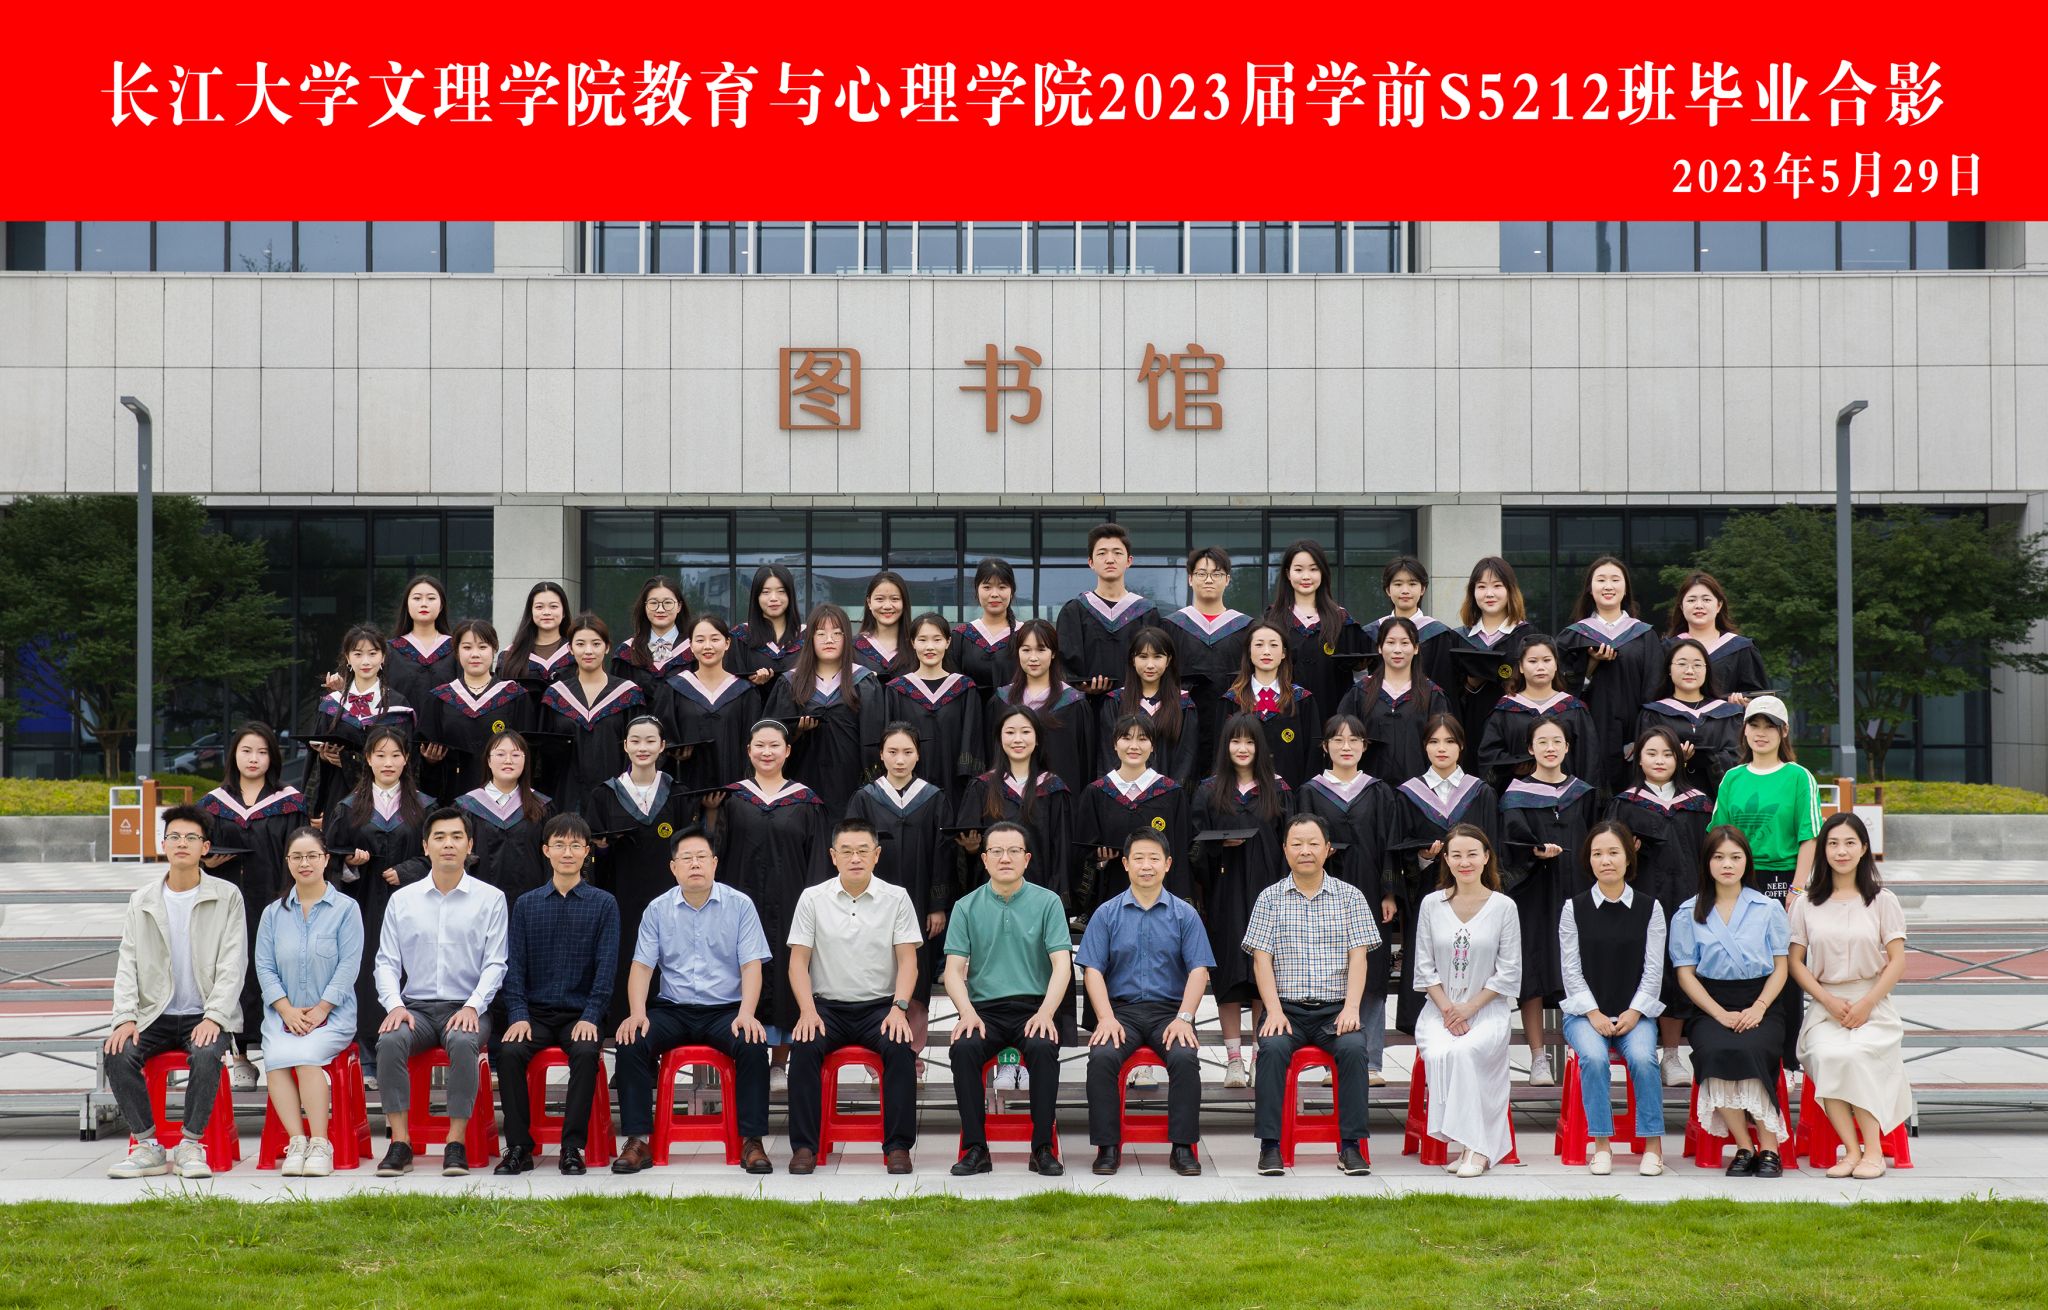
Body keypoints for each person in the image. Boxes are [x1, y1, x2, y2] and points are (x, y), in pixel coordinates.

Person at [610, 827, 776, 1176]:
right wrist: (637, 1013)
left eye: (702, 857)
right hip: (674, 1009)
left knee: (752, 1043)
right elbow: (642, 966)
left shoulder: (740, 905)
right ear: (673, 867)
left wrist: (747, 1013)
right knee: (631, 1041)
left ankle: (752, 1140)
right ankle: (638, 1141)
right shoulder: (658, 909)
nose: (695, 864)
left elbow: (751, 965)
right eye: (686, 858)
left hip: (725, 1010)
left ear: (715, 863)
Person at [104, 806, 247, 1180]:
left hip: (205, 1013)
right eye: (174, 837)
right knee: (117, 1052)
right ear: (163, 844)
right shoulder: (143, 899)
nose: (182, 843)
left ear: (205, 847)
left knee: (206, 1054)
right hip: (155, 1014)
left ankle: (191, 1145)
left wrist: (215, 1017)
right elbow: (128, 962)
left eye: (191, 837)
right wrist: (125, 1018)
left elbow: (234, 962)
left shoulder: (227, 896)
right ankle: (147, 1146)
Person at [371, 807, 509, 1178]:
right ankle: (401, 1142)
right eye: (440, 837)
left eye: (456, 837)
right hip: (414, 1008)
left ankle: (455, 1142)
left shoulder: (491, 899)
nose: (448, 844)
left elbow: (496, 964)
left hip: (466, 1007)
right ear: (425, 846)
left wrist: (473, 1007)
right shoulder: (403, 900)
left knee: (463, 1042)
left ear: (469, 845)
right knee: (389, 1041)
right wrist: (395, 1006)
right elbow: (386, 962)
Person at [1244, 813, 1381, 1178]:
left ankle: (1350, 1146)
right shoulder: (1270, 898)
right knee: (1272, 1050)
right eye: (1297, 844)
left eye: (1313, 843)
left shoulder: (1350, 897)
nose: (1305, 851)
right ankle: (1270, 1146)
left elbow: (1359, 957)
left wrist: (1351, 1008)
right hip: (1285, 1009)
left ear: (1328, 848)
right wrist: (1273, 1011)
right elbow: (1261, 960)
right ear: (1285, 850)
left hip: (1336, 1010)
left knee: (1354, 1049)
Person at [785, 819, 925, 1176]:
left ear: (877, 855)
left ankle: (898, 1147)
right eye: (846, 851)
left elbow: (908, 961)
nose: (855, 858)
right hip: (826, 1008)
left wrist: (899, 1008)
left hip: (881, 1008)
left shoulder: (896, 898)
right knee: (803, 1048)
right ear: (833, 856)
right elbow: (798, 962)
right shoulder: (812, 898)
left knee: (900, 1049)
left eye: (863, 850)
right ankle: (805, 1147)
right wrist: (807, 1011)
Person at [703, 719, 832, 1080]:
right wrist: (710, 815)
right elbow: (716, 851)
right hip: (741, 903)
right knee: (741, 970)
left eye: (775, 745)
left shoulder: (806, 801)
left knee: (787, 971)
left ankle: (779, 1062)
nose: (767, 752)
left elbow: (817, 860)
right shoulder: (732, 799)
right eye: (760, 745)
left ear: (788, 751)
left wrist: (814, 907)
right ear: (749, 751)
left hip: (792, 903)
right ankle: (745, 1056)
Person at [1079, 830, 1212, 1177]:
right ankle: (1108, 1147)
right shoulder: (1106, 914)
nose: (1146, 865)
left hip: (1170, 1013)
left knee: (1184, 1057)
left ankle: (1182, 1148)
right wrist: (1105, 1018)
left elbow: (1199, 970)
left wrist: (1185, 1018)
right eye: (1138, 858)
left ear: (1168, 864)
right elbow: (1092, 970)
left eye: (1154, 858)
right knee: (1102, 1057)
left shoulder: (1185, 914)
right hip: (1121, 1012)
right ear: (1125, 864)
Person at [944, 820, 1073, 1176]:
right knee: (963, 1049)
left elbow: (1062, 964)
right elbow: (953, 970)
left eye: (1014, 851)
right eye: (997, 851)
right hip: (984, 1010)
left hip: (1034, 1007)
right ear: (984, 859)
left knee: (1043, 1048)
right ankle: (976, 1149)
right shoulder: (966, 906)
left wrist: (1046, 1013)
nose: (1005, 858)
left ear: (1027, 858)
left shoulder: (1047, 902)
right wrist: (966, 1012)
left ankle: (1042, 1148)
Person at [1789, 813, 1914, 1179]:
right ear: (1823, 850)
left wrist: (1866, 1003)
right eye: (1832, 844)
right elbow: (1795, 962)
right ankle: (1851, 1150)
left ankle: (1873, 1152)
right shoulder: (1806, 904)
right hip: (1825, 1006)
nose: (1840, 851)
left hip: (1872, 1003)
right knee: (1828, 1055)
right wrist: (1827, 1001)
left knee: (1858, 1055)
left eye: (1849, 843)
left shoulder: (1882, 901)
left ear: (1863, 848)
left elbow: (1897, 961)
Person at [494, 813, 619, 1176]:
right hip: (535, 1014)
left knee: (586, 1052)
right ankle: (519, 1147)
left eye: (575, 845)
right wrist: (518, 1014)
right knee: (509, 1051)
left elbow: (606, 968)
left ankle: (572, 1147)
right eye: (560, 845)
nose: (567, 852)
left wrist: (591, 1015)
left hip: (580, 1014)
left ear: (587, 851)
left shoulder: (603, 904)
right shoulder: (527, 904)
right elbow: (514, 967)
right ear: (546, 850)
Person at [1669, 826, 1796, 1179]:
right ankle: (1744, 1146)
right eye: (1719, 857)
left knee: (1752, 1049)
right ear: (1706, 863)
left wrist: (1759, 1007)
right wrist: (1719, 1013)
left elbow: (1781, 967)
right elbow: (1685, 974)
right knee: (1715, 1052)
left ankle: (1769, 1147)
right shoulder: (1688, 912)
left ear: (1746, 862)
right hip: (1710, 1005)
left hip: (1762, 1002)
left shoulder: (1768, 908)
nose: (1727, 864)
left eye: (1735, 857)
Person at [198, 721, 307, 1089]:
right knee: (233, 974)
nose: (254, 758)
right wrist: (206, 861)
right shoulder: (213, 805)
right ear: (234, 755)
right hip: (228, 908)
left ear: (272, 757)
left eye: (262, 752)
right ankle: (240, 1056)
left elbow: (299, 851)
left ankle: (282, 1050)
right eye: (246, 751)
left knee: (277, 974)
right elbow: (196, 851)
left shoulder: (289, 803)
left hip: (277, 902)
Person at [1412, 823, 1522, 1178]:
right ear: (1445, 859)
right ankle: (1468, 1144)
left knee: (1466, 1051)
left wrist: (1470, 1008)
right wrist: (1449, 1009)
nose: (1465, 862)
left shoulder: (1503, 907)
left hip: (1487, 1011)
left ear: (1486, 857)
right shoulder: (1432, 904)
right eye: (1456, 855)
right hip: (1439, 1011)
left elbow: (1508, 971)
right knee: (1441, 1052)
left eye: (1472, 854)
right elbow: (1424, 966)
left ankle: (1477, 1148)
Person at [1558, 821, 1668, 1176]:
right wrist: (1593, 1013)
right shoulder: (1573, 908)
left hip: (1635, 1013)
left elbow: (1653, 971)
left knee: (1643, 1058)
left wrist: (1634, 1012)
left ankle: (1653, 1145)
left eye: (1613, 852)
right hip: (1584, 1015)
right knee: (1593, 1057)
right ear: (1588, 860)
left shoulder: (1650, 908)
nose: (1605, 860)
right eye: (1597, 854)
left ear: (1628, 856)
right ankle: (1601, 1144)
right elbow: (1571, 970)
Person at [1192, 714, 1296, 1090]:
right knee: (1231, 976)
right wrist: (1218, 845)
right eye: (1235, 741)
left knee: (1262, 974)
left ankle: (1258, 1056)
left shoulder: (1278, 789)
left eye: (1249, 742)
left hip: (1269, 893)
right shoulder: (1209, 790)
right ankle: (1234, 1060)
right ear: (1226, 746)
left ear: (1259, 747)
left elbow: (1289, 842)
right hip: (1225, 895)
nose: (1242, 748)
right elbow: (1194, 846)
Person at [255, 827, 364, 1178]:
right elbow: (264, 967)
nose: (305, 863)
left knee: (305, 1057)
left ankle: (320, 1143)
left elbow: (349, 966)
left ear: (326, 859)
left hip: (333, 1015)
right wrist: (285, 1009)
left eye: (312, 856)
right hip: (282, 1015)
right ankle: (297, 1141)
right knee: (275, 1058)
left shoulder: (346, 909)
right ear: (288, 862)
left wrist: (321, 1010)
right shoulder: (273, 914)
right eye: (297, 857)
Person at [1608, 726, 1711, 1084]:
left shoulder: (1698, 804)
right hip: (1640, 903)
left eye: (1668, 754)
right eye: (1651, 753)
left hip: (1686, 900)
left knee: (1679, 972)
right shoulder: (1624, 804)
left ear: (1679, 759)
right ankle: (1637, 1051)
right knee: (1642, 970)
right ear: (1638, 758)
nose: (1660, 760)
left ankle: (1671, 1055)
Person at [846, 724, 958, 1051]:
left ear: (918, 755)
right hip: (872, 902)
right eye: (892, 752)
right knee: (876, 973)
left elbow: (944, 854)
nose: (899, 760)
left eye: (907, 752)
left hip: (921, 902)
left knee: (917, 976)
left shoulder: (934, 798)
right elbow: (850, 851)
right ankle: (878, 1050)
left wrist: (937, 905)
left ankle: (913, 1053)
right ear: (881, 755)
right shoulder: (864, 798)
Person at [1500, 718, 1599, 1085]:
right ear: (1531, 748)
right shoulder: (1515, 794)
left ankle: (1580, 1053)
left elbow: (1596, 839)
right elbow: (1509, 844)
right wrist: (1533, 852)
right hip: (1534, 892)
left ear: (1567, 747)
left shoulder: (1583, 793)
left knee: (1580, 967)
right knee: (1534, 969)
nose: (1550, 747)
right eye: (1542, 742)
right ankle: (1538, 1057)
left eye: (1557, 741)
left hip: (1577, 889)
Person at [1392, 715, 1503, 1036]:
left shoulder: (1480, 793)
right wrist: (1424, 859)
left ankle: (1472, 1018)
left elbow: (1493, 849)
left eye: (1450, 741)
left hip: (1475, 898)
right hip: (1428, 894)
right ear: (1424, 747)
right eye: (1434, 741)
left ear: (1461, 746)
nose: (1442, 748)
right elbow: (1399, 851)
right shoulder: (1409, 794)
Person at [323, 725, 432, 1049]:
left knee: (409, 966)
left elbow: (437, 856)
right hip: (364, 902)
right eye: (380, 755)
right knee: (367, 967)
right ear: (368, 759)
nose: (388, 762)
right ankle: (368, 1047)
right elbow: (329, 858)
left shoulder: (424, 807)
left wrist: (408, 871)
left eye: (395, 755)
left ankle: (412, 1042)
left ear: (406, 759)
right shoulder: (348, 808)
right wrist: (350, 863)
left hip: (412, 903)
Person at [585, 715, 694, 1030]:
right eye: (635, 741)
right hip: (622, 895)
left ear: (662, 746)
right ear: (625, 746)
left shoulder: (678, 792)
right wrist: (601, 848)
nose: (642, 747)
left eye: (650, 741)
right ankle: (624, 1036)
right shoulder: (604, 794)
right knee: (626, 959)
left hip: (669, 897)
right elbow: (592, 852)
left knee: (669, 960)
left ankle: (667, 1031)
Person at [766, 602, 887, 815]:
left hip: (850, 784)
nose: (829, 640)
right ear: (810, 638)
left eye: (837, 633)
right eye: (821, 633)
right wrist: (796, 731)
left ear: (847, 638)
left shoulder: (864, 681)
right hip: (801, 782)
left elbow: (874, 739)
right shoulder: (791, 682)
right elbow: (770, 736)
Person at [1556, 556, 1662, 794]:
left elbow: (1654, 690)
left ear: (1625, 589)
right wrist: (1590, 666)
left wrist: (1644, 738)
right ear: (1590, 588)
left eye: (1615, 580)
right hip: (1586, 737)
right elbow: (1561, 691)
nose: (1608, 586)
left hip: (1632, 739)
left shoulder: (1644, 635)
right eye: (1601, 580)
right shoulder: (1573, 636)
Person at [955, 704, 1076, 907]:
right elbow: (962, 853)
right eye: (1010, 732)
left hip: (1040, 899)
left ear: (1037, 739)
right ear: (999, 738)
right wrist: (971, 850)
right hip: (991, 899)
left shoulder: (1053, 789)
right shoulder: (982, 787)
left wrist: (1055, 901)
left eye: (1026, 732)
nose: (1017, 739)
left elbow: (1062, 854)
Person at [1077, 713, 1193, 917]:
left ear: (1153, 745)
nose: (1134, 746)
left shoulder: (1171, 794)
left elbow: (1181, 854)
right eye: (1126, 737)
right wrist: (1099, 858)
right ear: (1115, 744)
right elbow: (1082, 854)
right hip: (1111, 896)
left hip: (1161, 899)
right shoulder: (1097, 793)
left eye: (1142, 739)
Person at [1709, 695, 1820, 904]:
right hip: (1736, 877)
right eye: (1754, 725)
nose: (1761, 733)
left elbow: (1809, 836)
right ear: (1745, 729)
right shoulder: (1732, 778)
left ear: (1784, 730)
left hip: (1782, 880)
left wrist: (1797, 888)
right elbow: (1718, 835)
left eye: (1770, 726)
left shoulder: (1799, 777)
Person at [539, 612, 648, 817]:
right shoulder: (556, 697)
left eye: (596, 644)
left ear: (607, 647)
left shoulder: (628, 695)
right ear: (570, 649)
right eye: (580, 644)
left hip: (618, 797)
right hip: (568, 798)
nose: (588, 651)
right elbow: (544, 758)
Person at [305, 624, 417, 822]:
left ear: (383, 657)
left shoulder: (398, 706)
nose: (366, 661)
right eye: (358, 654)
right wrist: (324, 756)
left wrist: (349, 760)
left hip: (386, 800)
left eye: (373, 654)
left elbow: (407, 762)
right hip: (338, 796)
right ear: (348, 658)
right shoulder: (331, 705)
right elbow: (314, 765)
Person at [422, 618, 535, 798]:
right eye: (467, 647)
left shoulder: (514, 696)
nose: (475, 654)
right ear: (457, 652)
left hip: (503, 795)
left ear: (494, 649)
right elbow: (424, 754)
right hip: (453, 793)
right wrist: (430, 760)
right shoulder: (440, 698)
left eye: (482, 647)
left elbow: (528, 752)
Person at [1163, 545, 1253, 768]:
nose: (1209, 579)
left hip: (1233, 717)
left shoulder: (1246, 627)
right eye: (1201, 573)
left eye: (1217, 574)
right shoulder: (1171, 626)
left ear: (1228, 579)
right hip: (1182, 719)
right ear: (1190, 579)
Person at [885, 612, 985, 807]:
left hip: (955, 784)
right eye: (922, 640)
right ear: (912, 643)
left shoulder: (964, 689)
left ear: (948, 642)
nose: (929, 646)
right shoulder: (897, 690)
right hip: (909, 785)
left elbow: (972, 740)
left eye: (937, 639)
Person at [1477, 633, 1599, 791]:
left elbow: (1589, 759)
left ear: (1556, 664)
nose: (1540, 667)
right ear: (1521, 667)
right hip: (1518, 797)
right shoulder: (1505, 709)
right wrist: (1514, 765)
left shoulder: (1574, 708)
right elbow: (1489, 756)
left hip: (1567, 797)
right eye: (1533, 661)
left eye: (1547, 660)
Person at [658, 613, 764, 792]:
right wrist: (675, 752)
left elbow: (754, 743)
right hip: (687, 788)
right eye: (700, 640)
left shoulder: (745, 691)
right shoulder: (675, 689)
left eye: (715, 639)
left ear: (727, 643)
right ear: (691, 646)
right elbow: (663, 739)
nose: (707, 646)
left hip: (736, 789)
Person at [1338, 616, 1448, 786]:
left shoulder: (1432, 695)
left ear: (1416, 648)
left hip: (1419, 790)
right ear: (1380, 648)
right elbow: (1341, 741)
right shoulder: (1360, 693)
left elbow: (1444, 745)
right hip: (1368, 789)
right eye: (1390, 642)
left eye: (1405, 643)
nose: (1397, 650)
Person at [992, 619, 1095, 796]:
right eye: (1026, 650)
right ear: (1018, 653)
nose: (1033, 658)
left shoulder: (1074, 703)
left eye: (1041, 649)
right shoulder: (1002, 701)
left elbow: (1085, 764)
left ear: (1053, 653)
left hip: (1060, 802)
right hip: (1008, 801)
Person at [1057, 522, 1160, 694]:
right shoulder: (1075, 611)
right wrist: (1083, 687)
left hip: (1136, 703)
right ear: (1091, 562)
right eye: (1102, 553)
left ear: (1129, 561)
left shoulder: (1146, 612)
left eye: (1117, 553)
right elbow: (1064, 666)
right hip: (1088, 705)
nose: (1110, 559)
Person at [1635, 637, 1744, 800]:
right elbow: (1644, 761)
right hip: (1668, 803)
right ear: (1669, 669)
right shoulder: (1653, 714)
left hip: (1719, 801)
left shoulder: (1729, 714)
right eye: (1682, 664)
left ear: (1707, 670)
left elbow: (1739, 758)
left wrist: (1709, 759)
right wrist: (1676, 759)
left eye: (1697, 665)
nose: (1690, 671)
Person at [1267, 539, 1367, 713]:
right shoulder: (1273, 619)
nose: (1306, 576)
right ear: (1288, 574)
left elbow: (1360, 673)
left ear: (1323, 572)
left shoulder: (1342, 620)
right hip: (1285, 716)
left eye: (1313, 569)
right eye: (1299, 570)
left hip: (1333, 715)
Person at [1361, 555, 1462, 726]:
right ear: (1388, 590)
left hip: (1424, 718)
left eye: (1412, 584)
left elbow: (1445, 684)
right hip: (1378, 717)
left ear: (1423, 589)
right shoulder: (1372, 633)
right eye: (1398, 584)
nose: (1405, 590)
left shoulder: (1438, 634)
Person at [457, 730, 555, 902]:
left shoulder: (541, 807)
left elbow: (550, 861)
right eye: (500, 754)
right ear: (489, 760)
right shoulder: (468, 806)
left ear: (525, 760)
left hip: (532, 902)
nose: (508, 760)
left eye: (516, 755)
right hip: (479, 902)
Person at [1223, 621, 1321, 789]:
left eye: (1274, 645)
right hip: (1241, 796)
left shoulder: (1302, 700)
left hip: (1292, 795)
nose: (1266, 651)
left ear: (1283, 653)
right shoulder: (1232, 700)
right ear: (1249, 651)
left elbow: (1313, 757)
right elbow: (1221, 755)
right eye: (1259, 645)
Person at [1098, 627, 1198, 786]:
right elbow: (1108, 755)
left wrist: (1171, 793)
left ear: (1168, 660)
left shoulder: (1183, 704)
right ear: (1133, 659)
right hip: (1122, 792)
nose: (1150, 665)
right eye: (1143, 657)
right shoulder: (1116, 702)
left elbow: (1185, 760)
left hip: (1168, 793)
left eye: (1157, 656)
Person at [1454, 556, 1527, 773]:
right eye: (1481, 586)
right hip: (1471, 730)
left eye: (1497, 586)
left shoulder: (1528, 637)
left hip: (1514, 734)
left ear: (1510, 590)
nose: (1489, 593)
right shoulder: (1458, 638)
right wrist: (1470, 683)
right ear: (1472, 592)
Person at [1666, 571, 1768, 705]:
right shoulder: (1667, 648)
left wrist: (1746, 704)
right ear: (1681, 606)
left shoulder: (1741, 648)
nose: (1699, 605)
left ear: (1719, 605)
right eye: (1691, 600)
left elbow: (1759, 698)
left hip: (1730, 718)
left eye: (1706, 600)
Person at [611, 575, 698, 694]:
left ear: (679, 606)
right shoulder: (627, 652)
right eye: (653, 603)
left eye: (668, 602)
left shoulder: (695, 650)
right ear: (645, 606)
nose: (660, 609)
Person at [382, 574, 458, 707]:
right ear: (407, 605)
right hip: (402, 720)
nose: (424, 604)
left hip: (446, 720)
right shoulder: (390, 650)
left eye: (431, 598)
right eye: (417, 598)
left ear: (441, 606)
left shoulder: (455, 648)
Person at [950, 557, 1019, 701]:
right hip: (970, 712)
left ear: (1012, 591)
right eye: (987, 587)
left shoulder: (1025, 635)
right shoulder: (961, 636)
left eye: (1002, 587)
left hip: (1014, 712)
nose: (994, 594)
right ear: (977, 591)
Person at [731, 563, 805, 687]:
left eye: (781, 591)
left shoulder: (807, 635)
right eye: (766, 592)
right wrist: (752, 684)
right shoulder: (740, 637)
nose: (773, 598)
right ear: (756, 597)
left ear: (790, 595)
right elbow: (730, 683)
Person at [500, 580, 575, 697]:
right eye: (539, 607)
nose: (546, 612)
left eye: (553, 606)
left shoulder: (576, 653)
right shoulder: (510, 655)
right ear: (531, 612)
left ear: (564, 612)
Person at [853, 569, 915, 678]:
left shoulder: (917, 646)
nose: (887, 606)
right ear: (869, 603)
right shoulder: (852, 648)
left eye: (895, 599)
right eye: (880, 599)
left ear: (904, 602)